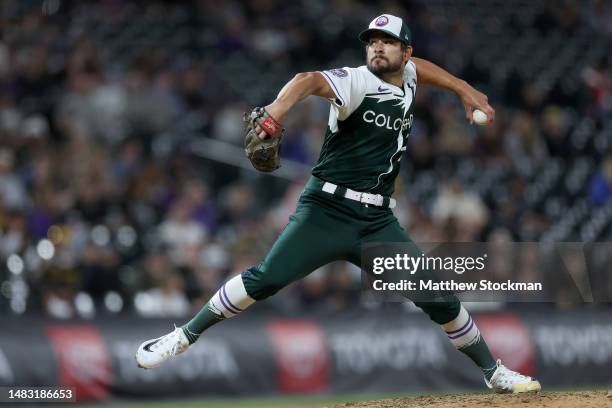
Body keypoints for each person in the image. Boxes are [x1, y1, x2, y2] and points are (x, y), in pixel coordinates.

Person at [136, 14, 541, 394]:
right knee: (265, 278)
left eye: (388, 42)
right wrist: (277, 111)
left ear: (406, 52)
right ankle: (183, 336)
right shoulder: (357, 82)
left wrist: (463, 89)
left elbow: (425, 70)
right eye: (372, 42)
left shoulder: (411, 75)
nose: (377, 48)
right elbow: (307, 79)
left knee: (438, 297)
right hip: (326, 211)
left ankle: (493, 373)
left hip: (377, 220)